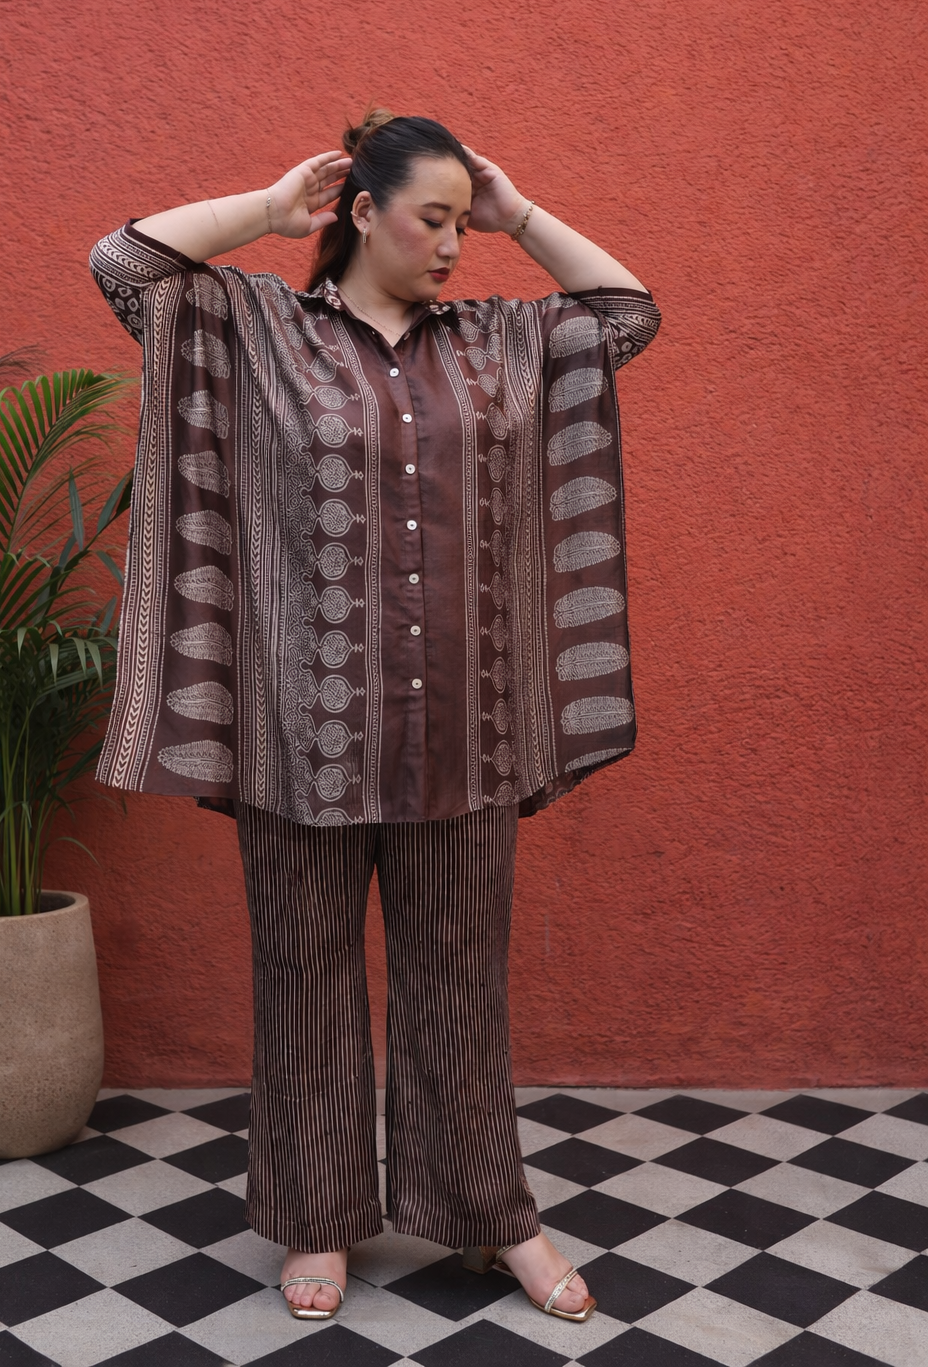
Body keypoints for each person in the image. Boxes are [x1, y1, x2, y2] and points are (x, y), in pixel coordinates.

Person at [89, 108, 660, 1325]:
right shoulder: (256, 330)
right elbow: (124, 264)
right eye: (432, 219)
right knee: (301, 979)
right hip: (299, 742)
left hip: (466, 738)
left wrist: (518, 213)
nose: (454, 244)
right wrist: (265, 210)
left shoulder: (500, 341)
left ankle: (491, 1216)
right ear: (361, 213)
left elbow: (625, 316)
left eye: (464, 224)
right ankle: (319, 1222)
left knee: (460, 986)